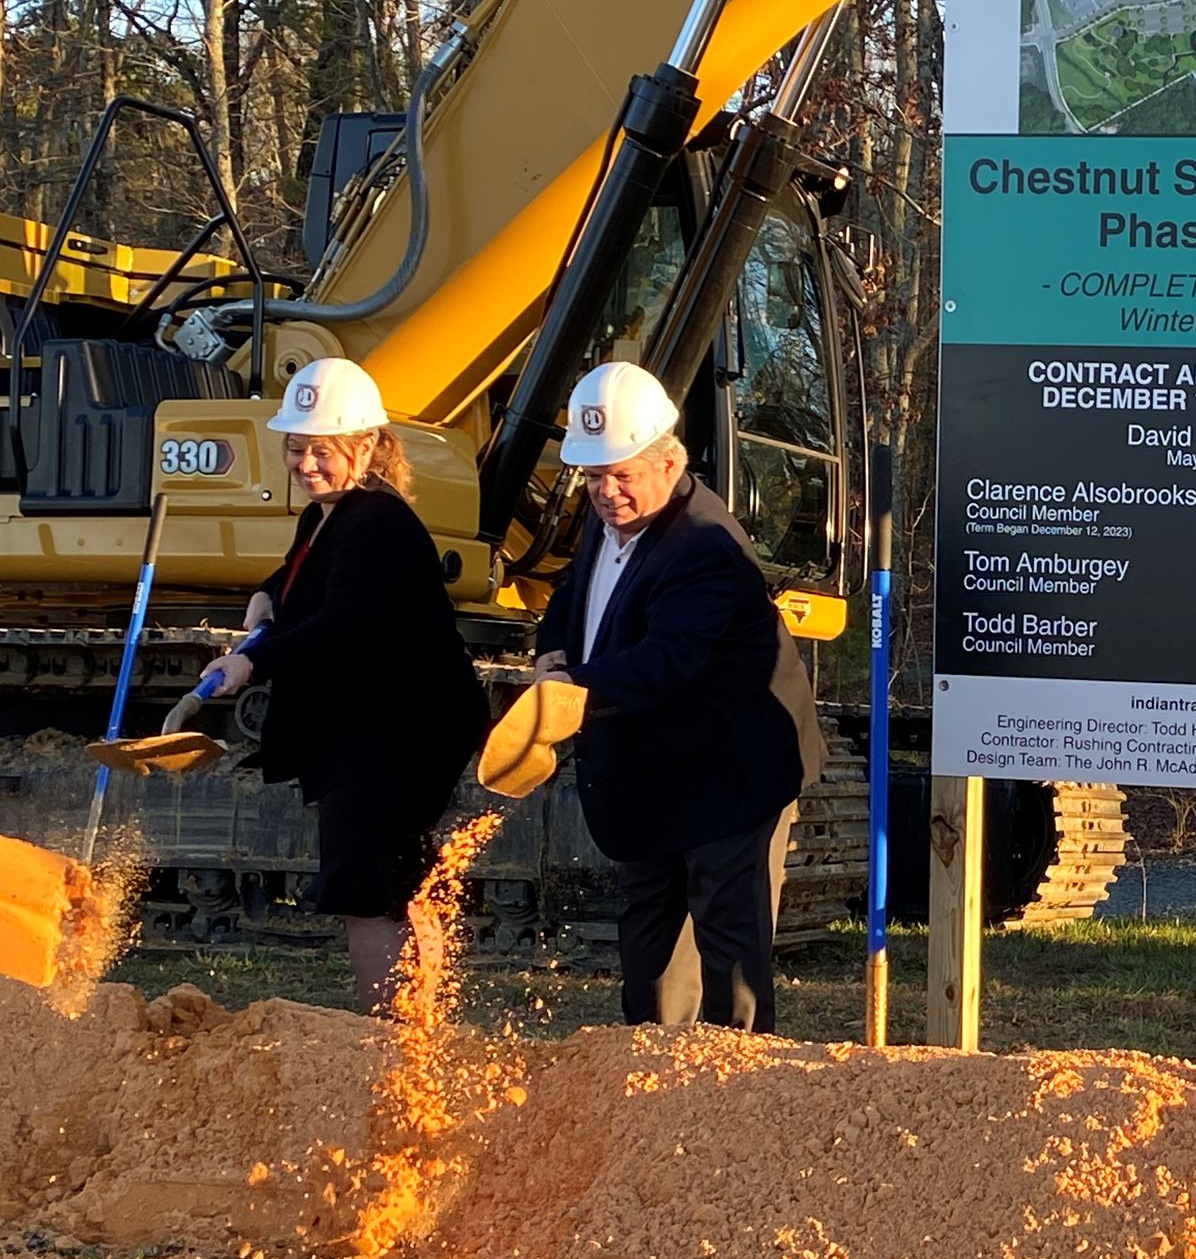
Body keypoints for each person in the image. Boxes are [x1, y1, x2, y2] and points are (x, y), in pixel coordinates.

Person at [532, 362, 825, 1032]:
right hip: (650, 772)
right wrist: (553, 649)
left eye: (621, 474)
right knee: (649, 933)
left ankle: (738, 1086)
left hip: (728, 771)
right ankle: (650, 1073)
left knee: (726, 935)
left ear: (669, 462)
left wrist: (571, 687)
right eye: (594, 476)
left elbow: (667, 661)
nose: (605, 492)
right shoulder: (609, 520)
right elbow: (574, 595)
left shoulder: (703, 546)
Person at [201, 357, 486, 1006]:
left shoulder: (377, 524)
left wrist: (252, 661)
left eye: (321, 450)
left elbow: (344, 624)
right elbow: (303, 578)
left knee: (366, 886)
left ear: (364, 447)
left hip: (396, 735)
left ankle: (386, 1036)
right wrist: (268, 599)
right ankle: (414, 1031)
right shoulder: (328, 516)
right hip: (374, 727)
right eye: (296, 448)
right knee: (397, 881)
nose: (305, 464)